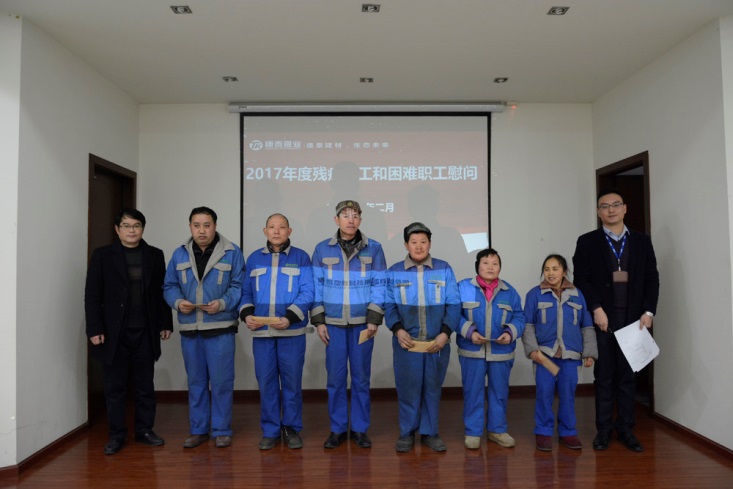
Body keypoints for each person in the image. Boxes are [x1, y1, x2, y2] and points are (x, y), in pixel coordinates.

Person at [573, 188, 659, 452]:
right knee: (604, 377)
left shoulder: (642, 241)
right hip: (603, 320)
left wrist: (648, 312)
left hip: (634, 320)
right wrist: (596, 308)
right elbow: (582, 279)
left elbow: (652, 278)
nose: (610, 210)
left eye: (615, 205)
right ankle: (603, 431)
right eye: (604, 206)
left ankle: (626, 429)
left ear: (624, 209)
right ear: (598, 212)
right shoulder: (587, 242)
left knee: (628, 377)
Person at [84, 208, 173, 455]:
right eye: (126, 225)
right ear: (117, 229)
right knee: (115, 387)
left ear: (142, 228)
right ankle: (116, 435)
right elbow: (92, 295)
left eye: (136, 225)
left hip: (145, 330)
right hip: (113, 333)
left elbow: (161, 292)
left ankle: (145, 430)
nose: (131, 230)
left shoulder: (155, 255)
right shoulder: (102, 255)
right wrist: (95, 328)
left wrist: (165, 322)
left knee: (145, 386)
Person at [163, 206, 245, 449]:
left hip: (220, 327)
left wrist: (222, 303)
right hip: (191, 328)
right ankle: (198, 430)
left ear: (215, 226)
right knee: (196, 382)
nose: (202, 230)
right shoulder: (179, 254)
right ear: (190, 227)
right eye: (196, 225)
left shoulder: (232, 252)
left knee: (221, 383)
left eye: (207, 225)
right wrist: (178, 302)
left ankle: (221, 430)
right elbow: (169, 286)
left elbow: (239, 286)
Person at [311, 200, 387, 449]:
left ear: (360, 220)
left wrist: (373, 319)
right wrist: (319, 321)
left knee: (361, 379)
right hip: (332, 324)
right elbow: (316, 287)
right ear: (336, 220)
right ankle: (337, 429)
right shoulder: (322, 249)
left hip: (362, 325)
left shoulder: (374, 248)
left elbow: (380, 285)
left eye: (355, 215)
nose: (350, 220)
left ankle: (360, 429)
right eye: (345, 215)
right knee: (335, 380)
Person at [239, 213, 314, 450]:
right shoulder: (253, 259)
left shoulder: (301, 257)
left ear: (289, 231)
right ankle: (270, 430)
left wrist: (289, 317)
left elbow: (308, 292)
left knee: (291, 383)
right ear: (265, 231)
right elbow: (246, 292)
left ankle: (291, 428)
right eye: (272, 227)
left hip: (292, 334)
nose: (276, 231)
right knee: (267, 383)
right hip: (262, 334)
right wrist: (247, 315)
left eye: (282, 227)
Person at [384, 223, 460, 452]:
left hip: (437, 343)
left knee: (432, 389)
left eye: (423, 242)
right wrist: (398, 330)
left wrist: (445, 333)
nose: (419, 246)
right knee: (408, 388)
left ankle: (430, 432)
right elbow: (389, 305)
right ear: (406, 245)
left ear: (430, 244)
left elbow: (454, 304)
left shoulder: (444, 269)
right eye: (414, 242)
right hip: (407, 344)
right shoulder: (394, 271)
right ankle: (407, 432)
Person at [522, 254, 597, 451]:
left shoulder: (578, 295)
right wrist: (532, 350)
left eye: (555, 269)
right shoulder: (534, 294)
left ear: (564, 271)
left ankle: (568, 432)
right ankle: (543, 431)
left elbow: (587, 326)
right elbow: (527, 326)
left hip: (570, 355)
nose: (550, 273)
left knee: (568, 395)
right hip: (544, 355)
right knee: (544, 393)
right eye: (547, 269)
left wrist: (589, 352)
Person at [457, 248, 524, 450]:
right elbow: (452, 314)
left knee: (499, 392)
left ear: (500, 268)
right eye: (485, 263)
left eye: (495, 263)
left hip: (501, 352)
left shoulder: (509, 292)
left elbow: (519, 317)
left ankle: (497, 430)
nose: (490, 267)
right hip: (472, 351)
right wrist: (470, 332)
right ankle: (473, 432)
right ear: (477, 266)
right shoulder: (463, 288)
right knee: (473, 392)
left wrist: (510, 333)